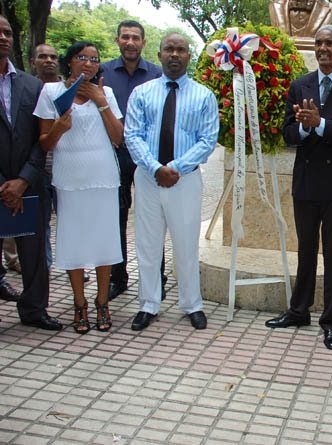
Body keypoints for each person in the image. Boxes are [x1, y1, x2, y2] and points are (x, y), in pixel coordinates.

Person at [265, 25, 332, 350]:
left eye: (329, 43)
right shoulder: (301, 85)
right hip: (307, 183)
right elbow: (286, 133)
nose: (322, 48)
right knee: (306, 250)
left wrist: (322, 124)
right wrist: (301, 126)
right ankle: (298, 310)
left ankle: (331, 321)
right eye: (318, 43)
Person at [124, 32, 219, 331]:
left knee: (186, 245)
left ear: (188, 56)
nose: (174, 55)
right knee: (148, 245)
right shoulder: (142, 93)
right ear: (160, 53)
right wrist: (155, 168)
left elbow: (207, 140)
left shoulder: (204, 95)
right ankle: (148, 304)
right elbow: (132, 135)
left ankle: (193, 304)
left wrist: (174, 167)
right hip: (149, 180)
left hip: (185, 180)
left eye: (181, 50)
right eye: (169, 49)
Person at [34, 41, 124, 333]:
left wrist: (100, 100)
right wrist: (60, 126)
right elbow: (45, 142)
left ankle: (102, 302)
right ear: (70, 62)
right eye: (81, 57)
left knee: (103, 241)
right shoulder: (51, 92)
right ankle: (79, 303)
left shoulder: (106, 93)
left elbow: (119, 137)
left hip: (103, 176)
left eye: (94, 59)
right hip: (69, 178)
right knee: (73, 240)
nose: (88, 63)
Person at [0, 15, 62, 330]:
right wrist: (5, 186)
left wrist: (23, 179)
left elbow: (43, 138)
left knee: (34, 251)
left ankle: (35, 310)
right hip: (1, 186)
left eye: (7, 32)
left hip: (30, 181)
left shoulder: (32, 85)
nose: (3, 37)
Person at [100, 20, 163, 301]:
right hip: (114, 156)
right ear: (117, 40)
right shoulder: (102, 74)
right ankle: (118, 276)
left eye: (135, 37)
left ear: (143, 42)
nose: (130, 42)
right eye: (125, 37)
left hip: (149, 158)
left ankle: (157, 276)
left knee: (154, 219)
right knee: (116, 217)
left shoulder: (157, 74)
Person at [31, 43, 60, 273]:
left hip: (63, 168)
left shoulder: (67, 89)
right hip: (34, 169)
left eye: (53, 56)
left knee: (68, 220)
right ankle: (44, 268)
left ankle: (75, 266)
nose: (49, 60)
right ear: (33, 61)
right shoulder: (26, 88)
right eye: (43, 56)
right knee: (40, 226)